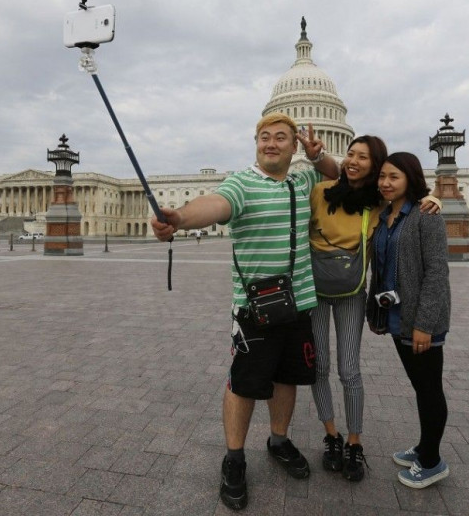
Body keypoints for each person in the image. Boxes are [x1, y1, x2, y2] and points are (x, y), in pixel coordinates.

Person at [151, 113, 338, 511]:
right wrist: (180, 218)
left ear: (294, 147)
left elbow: (338, 174)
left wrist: (319, 157)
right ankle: (234, 458)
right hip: (254, 307)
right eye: (264, 137)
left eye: (280, 138)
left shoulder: (303, 180)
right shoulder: (241, 182)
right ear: (256, 144)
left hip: (300, 302)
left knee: (287, 379)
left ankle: (279, 440)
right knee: (243, 384)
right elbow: (214, 204)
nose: (271, 143)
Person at [309, 138, 440, 482]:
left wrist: (433, 197)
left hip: (352, 292)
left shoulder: (379, 205)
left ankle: (354, 441)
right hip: (315, 291)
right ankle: (331, 435)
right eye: (350, 154)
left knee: (349, 369)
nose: (353, 161)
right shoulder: (319, 190)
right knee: (319, 366)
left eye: (362, 157)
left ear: (376, 166)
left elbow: (410, 202)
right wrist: (318, 157)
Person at [365, 151, 451, 489]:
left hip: (421, 320)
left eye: (394, 177)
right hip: (398, 317)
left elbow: (436, 273)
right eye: (382, 176)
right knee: (420, 386)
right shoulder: (384, 215)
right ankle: (424, 446)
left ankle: (432, 462)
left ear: (410, 179)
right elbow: (382, 270)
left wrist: (425, 324)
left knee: (429, 389)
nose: (386, 182)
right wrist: (378, 314)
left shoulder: (425, 215)